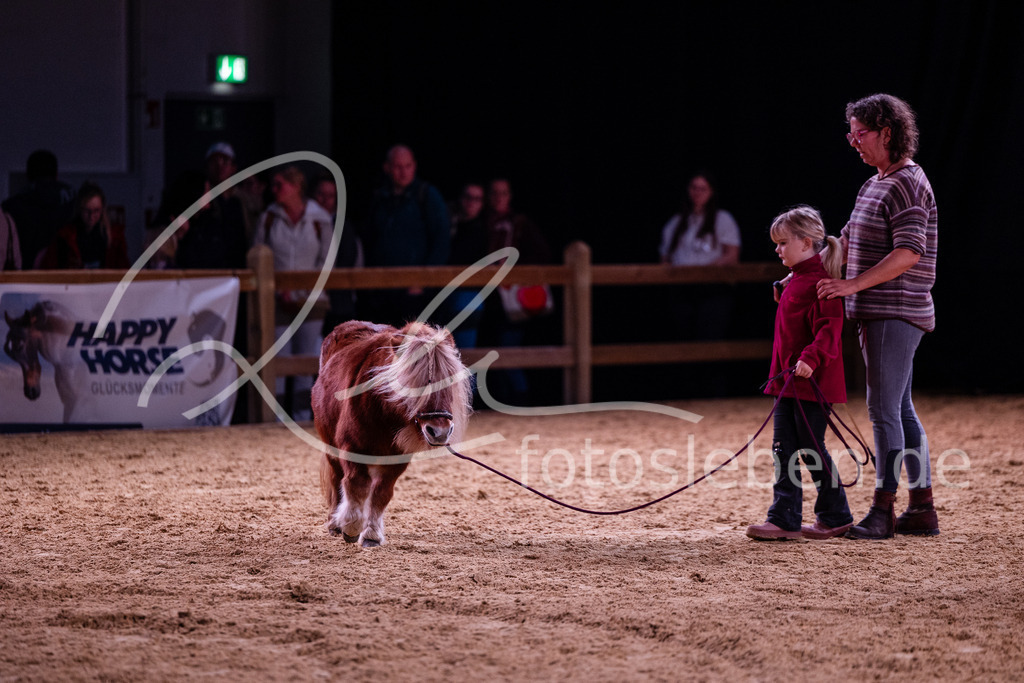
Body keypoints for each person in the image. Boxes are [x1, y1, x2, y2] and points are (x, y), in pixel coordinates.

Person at [816, 93, 939, 539]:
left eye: (861, 133)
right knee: (899, 408)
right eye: (850, 134)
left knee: (883, 410)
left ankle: (882, 509)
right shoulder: (875, 183)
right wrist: (798, 274)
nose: (853, 142)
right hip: (882, 311)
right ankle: (921, 507)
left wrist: (851, 285)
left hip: (895, 310)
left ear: (887, 132)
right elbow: (844, 243)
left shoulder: (907, 183)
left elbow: (909, 252)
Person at [746, 206, 854, 541]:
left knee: (808, 446)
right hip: (786, 381)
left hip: (811, 382)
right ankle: (786, 518)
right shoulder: (797, 280)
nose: (777, 249)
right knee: (784, 447)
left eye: (783, 243)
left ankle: (833, 515)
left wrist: (811, 357)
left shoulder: (822, 283)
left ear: (806, 243)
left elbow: (829, 329)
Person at [253, 165, 333, 421]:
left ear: (296, 186)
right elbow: (258, 256)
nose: (275, 190)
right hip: (276, 300)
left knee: (305, 362)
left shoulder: (319, 219)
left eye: (280, 184)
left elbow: (326, 261)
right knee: (278, 359)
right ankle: (275, 419)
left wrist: (301, 292)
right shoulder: (269, 218)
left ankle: (302, 417)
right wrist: (278, 290)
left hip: (312, 299)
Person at [358, 145, 450, 327]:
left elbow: (441, 242)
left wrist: (423, 281)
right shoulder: (379, 196)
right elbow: (369, 240)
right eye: (398, 167)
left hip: (415, 290)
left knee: (413, 339)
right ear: (387, 168)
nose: (403, 172)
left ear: (414, 166)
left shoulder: (427, 195)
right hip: (383, 289)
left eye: (408, 166)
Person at [478, 178, 551, 405]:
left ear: (510, 196)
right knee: (485, 351)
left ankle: (520, 400)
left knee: (508, 349)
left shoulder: (519, 224)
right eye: (494, 193)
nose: (499, 198)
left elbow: (542, 254)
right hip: (485, 297)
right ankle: (494, 401)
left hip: (510, 299)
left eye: (503, 193)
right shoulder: (481, 222)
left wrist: (511, 266)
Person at [658, 171, 742, 339]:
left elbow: (732, 255)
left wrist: (704, 271)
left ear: (711, 192)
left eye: (703, 188)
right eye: (694, 188)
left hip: (712, 288)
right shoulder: (676, 222)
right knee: (682, 337)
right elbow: (665, 257)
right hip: (681, 288)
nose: (697, 192)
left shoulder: (722, 219)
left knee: (709, 336)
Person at [2, 149, 75, 268]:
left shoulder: (11, 207)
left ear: (28, 175)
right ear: (56, 174)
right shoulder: (73, 202)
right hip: (64, 273)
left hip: (24, 272)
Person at [312, 173, 363, 337]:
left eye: (331, 195)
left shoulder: (345, 227)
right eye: (321, 194)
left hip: (340, 302)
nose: (325, 200)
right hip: (311, 298)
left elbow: (355, 260)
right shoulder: (307, 223)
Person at [39, 181, 129, 269]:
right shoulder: (65, 236)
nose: (91, 216)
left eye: (96, 211)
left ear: (102, 209)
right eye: (87, 211)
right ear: (80, 209)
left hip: (105, 279)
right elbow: (48, 269)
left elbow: (124, 269)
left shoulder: (114, 237)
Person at [445, 181, 490, 348]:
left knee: (464, 351)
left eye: (477, 199)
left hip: (469, 294)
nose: (471, 202)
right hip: (443, 291)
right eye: (468, 197)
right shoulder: (448, 225)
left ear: (482, 203)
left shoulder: (485, 230)